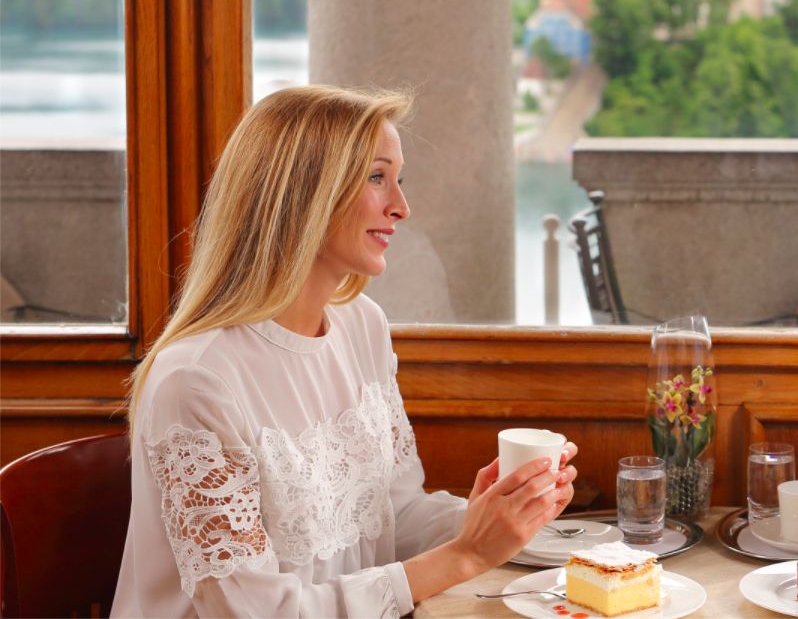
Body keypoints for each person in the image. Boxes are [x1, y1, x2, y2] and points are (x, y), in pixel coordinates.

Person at [113, 86, 578, 616]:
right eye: (376, 177)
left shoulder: (363, 326)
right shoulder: (196, 380)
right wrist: (467, 554)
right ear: (302, 191)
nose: (401, 206)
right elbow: (257, 612)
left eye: (399, 179)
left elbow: (394, 513)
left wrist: (498, 515)